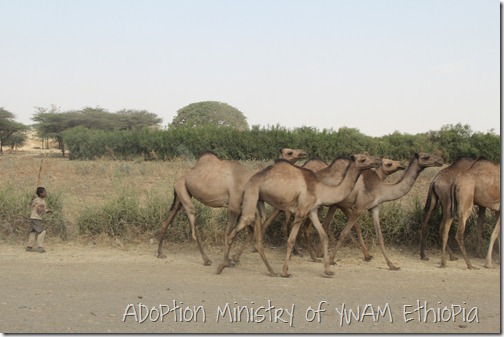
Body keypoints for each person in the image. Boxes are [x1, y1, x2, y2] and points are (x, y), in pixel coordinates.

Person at [26, 187, 52, 253]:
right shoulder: (36, 200)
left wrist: (48, 211)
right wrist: (32, 199)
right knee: (42, 231)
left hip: (38, 218)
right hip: (35, 218)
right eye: (44, 192)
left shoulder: (43, 201)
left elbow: (44, 210)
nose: (46, 193)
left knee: (33, 232)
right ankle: (40, 247)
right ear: (40, 193)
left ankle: (29, 247)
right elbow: (30, 206)